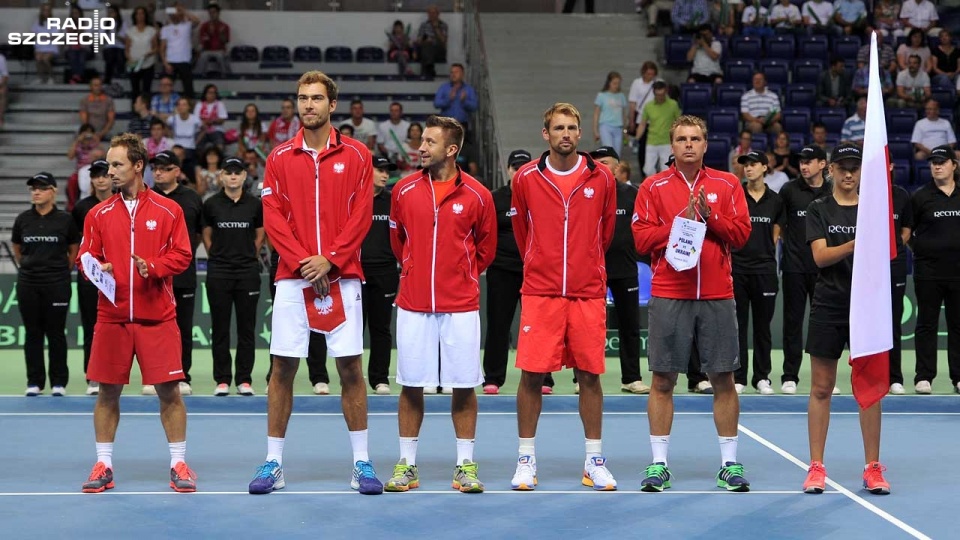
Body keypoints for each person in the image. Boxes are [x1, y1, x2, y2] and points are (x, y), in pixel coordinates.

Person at [249, 70, 382, 495]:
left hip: (343, 277)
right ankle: (273, 462)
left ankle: (362, 462)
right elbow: (274, 219)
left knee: (349, 368)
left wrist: (333, 260)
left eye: (317, 98)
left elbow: (362, 216)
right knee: (282, 367)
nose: (309, 105)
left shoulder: (359, 155)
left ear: (332, 105)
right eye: (303, 98)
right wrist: (306, 263)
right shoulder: (279, 157)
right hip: (293, 277)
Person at [632, 115, 752, 492]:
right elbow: (639, 240)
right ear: (672, 145)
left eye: (695, 138)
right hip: (670, 292)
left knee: (723, 378)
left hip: (717, 294)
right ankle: (658, 465)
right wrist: (678, 222)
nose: (688, 144)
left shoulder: (727, 183)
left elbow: (743, 234)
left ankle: (729, 464)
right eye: (681, 138)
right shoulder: (653, 187)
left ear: (705, 145)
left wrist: (710, 216)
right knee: (663, 379)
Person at [77, 133, 195, 494]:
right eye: (109, 165)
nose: (110, 172)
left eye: (117, 165)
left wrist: (154, 267)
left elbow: (183, 255)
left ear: (138, 166)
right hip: (112, 317)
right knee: (107, 393)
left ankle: (178, 463)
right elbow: (84, 259)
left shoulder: (168, 210)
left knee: (169, 393)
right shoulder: (98, 213)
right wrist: (100, 268)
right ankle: (103, 464)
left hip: (157, 317)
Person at [509, 103, 618, 491]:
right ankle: (525, 459)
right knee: (532, 376)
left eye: (572, 127)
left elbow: (604, 233)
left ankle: (594, 461)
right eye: (558, 128)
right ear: (546, 134)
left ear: (579, 134)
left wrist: (586, 265)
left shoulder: (603, 178)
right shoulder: (524, 179)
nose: (566, 134)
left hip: (587, 292)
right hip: (541, 291)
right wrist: (542, 264)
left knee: (589, 376)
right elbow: (523, 232)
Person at [385, 115, 496, 493]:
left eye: (430, 142)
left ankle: (465, 465)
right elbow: (398, 242)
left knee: (464, 385)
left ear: (451, 149)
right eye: (422, 140)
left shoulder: (479, 195)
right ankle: (407, 465)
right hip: (413, 302)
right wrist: (415, 270)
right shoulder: (402, 191)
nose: (421, 146)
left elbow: (486, 249)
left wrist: (459, 276)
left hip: (461, 305)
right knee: (410, 384)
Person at [802, 143, 890, 495]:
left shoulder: (874, 209)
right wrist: (858, 242)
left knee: (868, 391)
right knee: (822, 388)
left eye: (854, 167)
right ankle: (816, 467)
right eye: (843, 167)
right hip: (829, 304)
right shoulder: (818, 208)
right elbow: (821, 257)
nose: (849, 173)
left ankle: (872, 467)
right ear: (831, 171)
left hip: (867, 308)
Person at [13, 172, 80, 397]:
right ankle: (35, 382)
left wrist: (61, 269)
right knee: (32, 333)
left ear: (53, 191)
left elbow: (73, 249)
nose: (36, 192)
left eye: (41, 188)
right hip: (28, 283)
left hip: (57, 283)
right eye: (33, 189)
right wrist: (31, 266)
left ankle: (59, 382)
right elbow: (17, 249)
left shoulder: (65, 219)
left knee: (56, 333)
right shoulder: (23, 219)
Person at [485, 149, 546, 394]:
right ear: (508, 169)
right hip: (501, 270)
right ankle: (493, 377)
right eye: (514, 167)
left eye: (523, 166)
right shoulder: (495, 198)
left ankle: (545, 377)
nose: (518, 170)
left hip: (534, 271)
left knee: (539, 326)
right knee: (498, 324)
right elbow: (486, 233)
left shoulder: (541, 195)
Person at [203, 156, 264, 396]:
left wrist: (249, 255)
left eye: (237, 173)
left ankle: (244, 380)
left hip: (247, 272)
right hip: (219, 272)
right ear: (221, 177)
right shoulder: (211, 204)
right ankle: (222, 380)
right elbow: (206, 235)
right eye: (228, 173)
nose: (233, 176)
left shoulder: (254, 204)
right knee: (220, 329)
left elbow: (260, 235)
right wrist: (217, 256)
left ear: (244, 176)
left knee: (246, 329)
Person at [591, 146, 649, 394]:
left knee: (630, 326)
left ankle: (631, 378)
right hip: (593, 269)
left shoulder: (632, 194)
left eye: (604, 162)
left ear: (616, 166)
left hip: (625, 269)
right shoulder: (586, 193)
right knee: (589, 327)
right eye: (595, 162)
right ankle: (584, 379)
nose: (599, 166)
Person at [147, 150, 204, 397]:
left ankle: (182, 376)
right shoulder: (145, 198)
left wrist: (181, 258)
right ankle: (153, 377)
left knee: (182, 328)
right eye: (155, 168)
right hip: (152, 275)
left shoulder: (192, 198)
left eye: (164, 168)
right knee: (153, 329)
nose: (158, 172)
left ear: (177, 171)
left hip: (183, 275)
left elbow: (199, 234)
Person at [778, 145, 832, 394]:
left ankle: (826, 380)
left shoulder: (832, 191)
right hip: (794, 267)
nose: (803, 165)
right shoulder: (789, 190)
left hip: (826, 268)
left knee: (824, 325)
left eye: (810, 161)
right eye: (801, 161)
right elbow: (778, 225)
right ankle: (790, 375)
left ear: (823, 164)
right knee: (793, 323)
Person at [732, 151, 784, 395]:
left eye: (753, 165)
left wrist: (763, 251)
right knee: (738, 326)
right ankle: (739, 376)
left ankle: (762, 377)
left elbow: (777, 232)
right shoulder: (735, 196)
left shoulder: (776, 200)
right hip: (737, 269)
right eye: (745, 165)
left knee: (762, 327)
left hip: (764, 270)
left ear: (765, 167)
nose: (748, 169)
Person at [910, 145, 960, 395]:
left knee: (958, 324)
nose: (937, 166)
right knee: (927, 324)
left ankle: (958, 377)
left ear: (954, 165)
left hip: (958, 273)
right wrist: (920, 250)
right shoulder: (920, 197)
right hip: (928, 271)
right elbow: (907, 232)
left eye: (942, 161)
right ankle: (924, 376)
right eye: (933, 162)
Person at [72, 159, 113, 396]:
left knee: (118, 329)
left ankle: (116, 375)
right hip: (91, 275)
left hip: (116, 275)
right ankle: (93, 377)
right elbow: (79, 241)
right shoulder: (81, 208)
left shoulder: (123, 203)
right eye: (96, 175)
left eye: (104, 175)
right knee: (91, 327)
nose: (100, 179)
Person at [361, 157, 401, 395]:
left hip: (386, 271)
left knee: (381, 328)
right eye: (380, 170)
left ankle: (379, 378)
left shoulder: (393, 201)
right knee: (354, 331)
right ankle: (353, 378)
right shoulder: (354, 199)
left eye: (387, 171)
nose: (385, 175)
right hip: (356, 272)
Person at [889, 165, 913, 395]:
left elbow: (907, 226)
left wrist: (895, 247)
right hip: (865, 266)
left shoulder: (901, 195)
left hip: (894, 265)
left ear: (890, 165)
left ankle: (894, 377)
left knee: (892, 322)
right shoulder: (862, 192)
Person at [637, 81, 682, 177]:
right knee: (648, 170)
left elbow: (679, 122)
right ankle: (653, 188)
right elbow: (642, 124)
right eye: (658, 95)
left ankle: (664, 190)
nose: (660, 97)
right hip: (651, 141)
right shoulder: (648, 106)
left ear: (666, 92)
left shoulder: (673, 104)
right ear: (654, 93)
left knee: (666, 169)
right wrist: (637, 138)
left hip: (667, 142)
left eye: (662, 94)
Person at [160, 3, 200, 100]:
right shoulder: (165, 28)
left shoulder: (187, 25)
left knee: (188, 89)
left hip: (184, 61)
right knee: (166, 87)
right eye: (174, 12)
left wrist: (184, 11)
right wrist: (165, 63)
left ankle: (190, 111)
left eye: (177, 12)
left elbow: (197, 21)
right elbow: (162, 47)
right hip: (170, 61)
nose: (176, 14)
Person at [126, 6, 158, 105]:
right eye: (138, 14)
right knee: (135, 89)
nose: (140, 16)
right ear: (134, 16)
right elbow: (127, 49)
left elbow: (156, 47)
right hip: (134, 63)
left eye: (142, 13)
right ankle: (135, 111)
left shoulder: (151, 30)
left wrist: (149, 53)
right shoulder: (130, 31)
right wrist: (129, 59)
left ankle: (146, 111)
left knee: (146, 89)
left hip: (148, 63)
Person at [433, 64, 478, 134]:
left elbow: (474, 107)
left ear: (462, 74)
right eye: (451, 72)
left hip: (462, 124)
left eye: (456, 72)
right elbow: (436, 103)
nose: (453, 74)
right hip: (446, 124)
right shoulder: (444, 88)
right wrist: (448, 99)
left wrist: (464, 101)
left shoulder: (468, 89)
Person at [593, 72, 629, 158]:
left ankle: (615, 171)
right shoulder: (602, 95)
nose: (616, 86)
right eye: (614, 83)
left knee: (617, 154)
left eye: (618, 83)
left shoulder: (621, 96)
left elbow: (623, 115)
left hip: (618, 127)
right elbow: (596, 114)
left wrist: (625, 130)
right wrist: (595, 130)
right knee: (608, 151)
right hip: (606, 126)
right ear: (609, 83)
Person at [197, 2, 231, 76]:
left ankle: (226, 76)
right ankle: (199, 76)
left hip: (220, 50)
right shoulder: (204, 26)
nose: (212, 15)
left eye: (214, 12)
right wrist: (210, 34)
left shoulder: (224, 26)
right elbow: (203, 42)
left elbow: (225, 41)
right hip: (207, 50)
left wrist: (221, 34)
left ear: (218, 13)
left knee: (221, 56)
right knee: (202, 57)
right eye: (210, 13)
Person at [79, 76, 116, 142]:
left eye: (100, 85)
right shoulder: (84, 100)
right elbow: (84, 121)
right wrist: (90, 133)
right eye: (95, 85)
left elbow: (111, 121)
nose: (98, 87)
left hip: (105, 131)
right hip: (89, 131)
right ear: (90, 87)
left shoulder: (108, 100)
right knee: (78, 137)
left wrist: (101, 134)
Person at [416, 5, 448, 77]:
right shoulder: (424, 25)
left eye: (433, 13)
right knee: (427, 46)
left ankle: (426, 72)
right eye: (429, 13)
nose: (431, 15)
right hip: (426, 48)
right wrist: (424, 39)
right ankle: (429, 68)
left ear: (438, 14)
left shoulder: (443, 25)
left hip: (439, 50)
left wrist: (436, 28)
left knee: (429, 47)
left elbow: (443, 41)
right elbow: (418, 41)